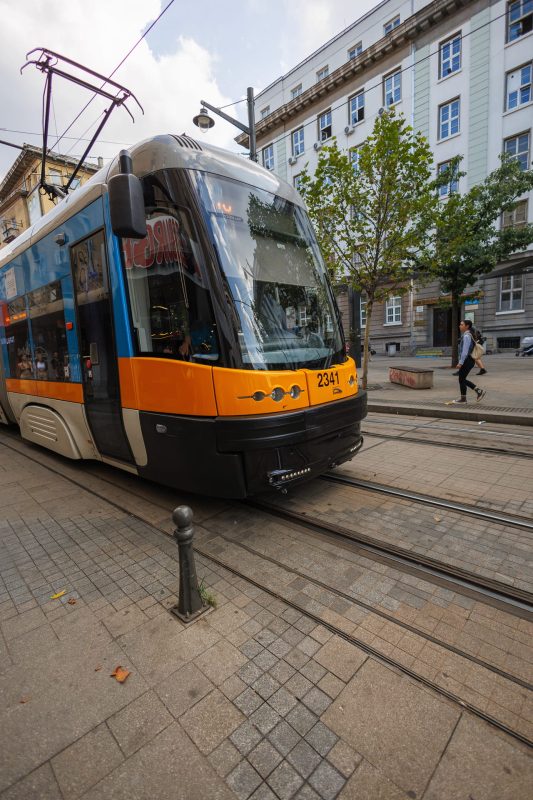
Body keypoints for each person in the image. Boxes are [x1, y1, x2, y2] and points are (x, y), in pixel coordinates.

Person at [453, 319, 486, 404]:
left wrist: (460, 362)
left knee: (461, 379)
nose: (460, 326)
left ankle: (473, 394)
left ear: (467, 326)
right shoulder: (468, 335)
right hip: (469, 360)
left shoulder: (467, 336)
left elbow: (465, 351)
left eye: (461, 324)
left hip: (467, 360)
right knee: (462, 379)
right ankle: (471, 394)